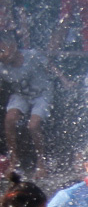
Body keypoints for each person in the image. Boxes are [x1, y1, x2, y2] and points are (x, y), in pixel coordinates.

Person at [0, 32, 61, 172]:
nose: (1, 55)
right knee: (9, 119)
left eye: (2, 51)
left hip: (41, 93)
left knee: (33, 125)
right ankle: (14, 158)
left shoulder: (31, 55)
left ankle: (41, 160)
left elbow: (50, 66)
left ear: (13, 46)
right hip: (21, 94)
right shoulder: (1, 66)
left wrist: (65, 81)